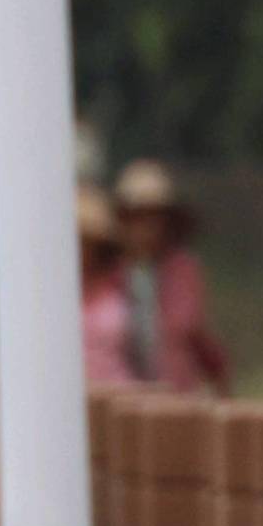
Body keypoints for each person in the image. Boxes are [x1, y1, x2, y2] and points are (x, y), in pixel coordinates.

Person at [114, 160, 223, 393]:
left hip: (175, 393)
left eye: (155, 217)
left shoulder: (184, 271)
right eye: (138, 217)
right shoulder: (110, 274)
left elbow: (198, 335)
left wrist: (219, 379)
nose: (148, 227)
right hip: (124, 397)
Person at [77, 187, 141, 387]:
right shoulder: (48, 296)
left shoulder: (125, 282)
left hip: (120, 392)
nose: (80, 249)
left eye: (85, 241)